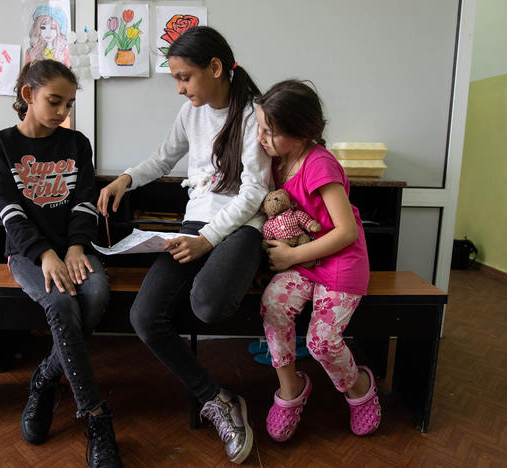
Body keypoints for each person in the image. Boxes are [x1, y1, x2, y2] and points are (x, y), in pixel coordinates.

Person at [98, 26, 270, 464]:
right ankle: (218, 399)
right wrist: (125, 178)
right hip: (194, 224)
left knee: (208, 304)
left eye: (184, 77)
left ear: (215, 68)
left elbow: (253, 193)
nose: (179, 88)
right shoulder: (191, 114)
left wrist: (207, 241)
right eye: (174, 78)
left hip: (239, 226)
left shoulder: (254, 114)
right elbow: (162, 158)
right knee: (143, 315)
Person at [0, 59, 122, 468]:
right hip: (28, 254)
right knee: (61, 304)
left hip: (75, 250)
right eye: (54, 101)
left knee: (96, 294)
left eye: (69, 103)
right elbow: (10, 211)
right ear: (28, 95)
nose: (63, 112)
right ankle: (96, 417)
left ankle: (44, 380)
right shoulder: (0, 144)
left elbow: (83, 201)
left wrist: (77, 247)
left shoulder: (77, 144)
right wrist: (45, 254)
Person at [255, 80, 381, 442]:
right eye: (260, 128)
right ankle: (291, 389)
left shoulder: (319, 164)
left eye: (270, 132)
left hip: (340, 261)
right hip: (306, 261)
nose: (262, 138)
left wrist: (292, 255)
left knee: (322, 341)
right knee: (274, 307)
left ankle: (359, 387)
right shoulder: (280, 161)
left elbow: (346, 233)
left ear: (301, 132)